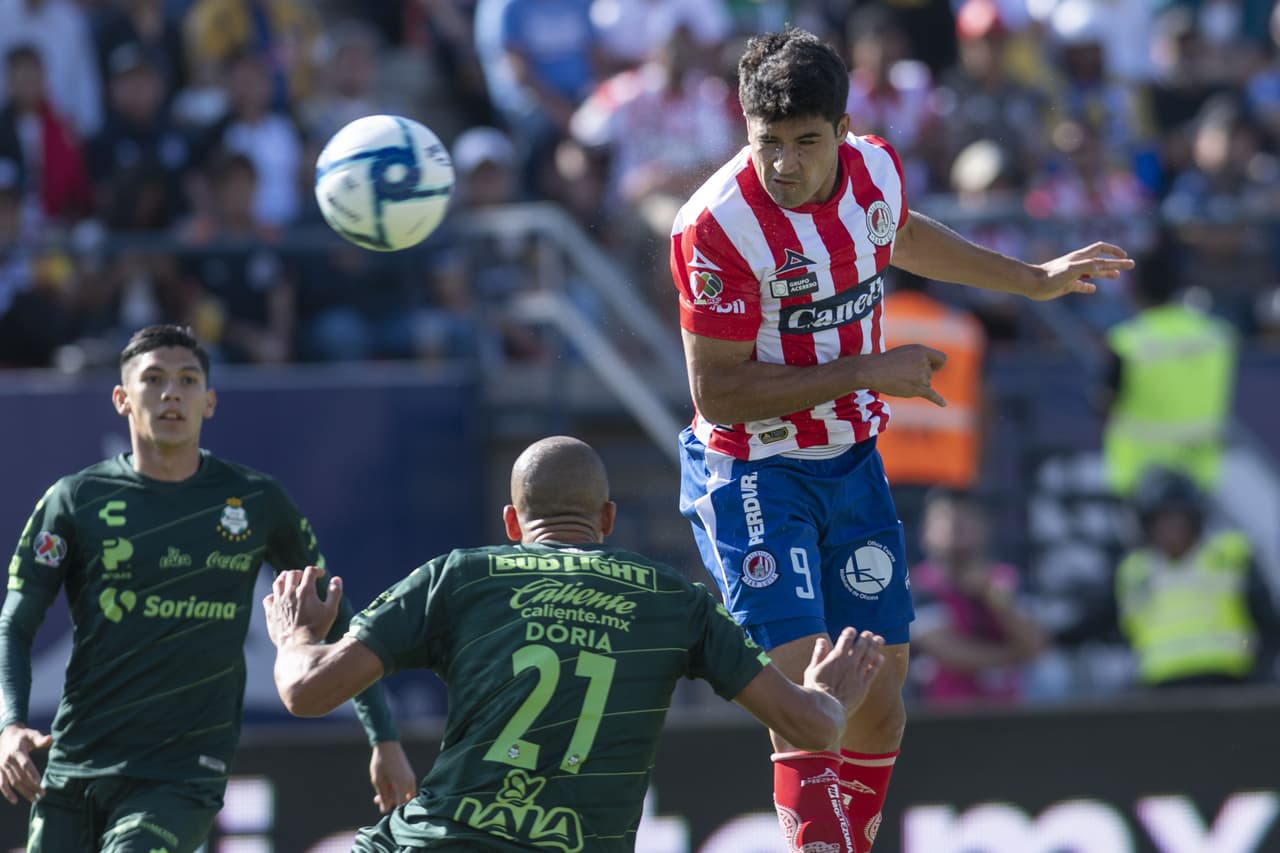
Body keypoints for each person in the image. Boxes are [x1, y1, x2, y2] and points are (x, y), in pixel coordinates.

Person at [670, 28, 1133, 851]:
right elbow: (719, 391)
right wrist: (867, 368)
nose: (784, 163)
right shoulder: (717, 226)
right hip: (753, 469)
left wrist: (1034, 279)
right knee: (809, 698)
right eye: (768, 142)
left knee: (880, 703)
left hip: (851, 461)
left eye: (805, 141)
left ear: (843, 131)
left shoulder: (875, 169)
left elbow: (903, 235)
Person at [264, 435, 888, 851]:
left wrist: (295, 634)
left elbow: (307, 691)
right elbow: (809, 728)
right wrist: (828, 695)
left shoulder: (462, 576)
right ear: (607, 519)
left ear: (512, 524)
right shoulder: (675, 600)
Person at [0, 324, 416, 851]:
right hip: (76, 762)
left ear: (210, 401)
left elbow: (340, 619)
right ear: (122, 399)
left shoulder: (255, 500)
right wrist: (10, 725)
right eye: (154, 379)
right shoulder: (75, 499)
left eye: (188, 380)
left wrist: (384, 738)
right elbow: (16, 623)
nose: (171, 393)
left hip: (182, 773)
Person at [1115, 467, 1279, 689]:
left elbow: (1269, 625)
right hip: (1158, 691)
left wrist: (1258, 677)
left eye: (1178, 519)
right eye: (1162, 521)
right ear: (1148, 525)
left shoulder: (1230, 556)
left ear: (1194, 519)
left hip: (1228, 684)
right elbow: (1108, 624)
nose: (1171, 530)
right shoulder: (1134, 572)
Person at [1099, 242, 1237, 496]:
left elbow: (1105, 403)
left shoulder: (1126, 341)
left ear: (1135, 290)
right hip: (1199, 472)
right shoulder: (1217, 336)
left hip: (1138, 472)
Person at [909, 488, 1045, 706]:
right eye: (945, 519)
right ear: (925, 531)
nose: (955, 526)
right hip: (939, 712)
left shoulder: (1007, 578)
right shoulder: (917, 586)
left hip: (1009, 710)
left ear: (985, 527)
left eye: (966, 518)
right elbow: (947, 651)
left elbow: (1035, 642)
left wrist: (993, 596)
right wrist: (1015, 656)